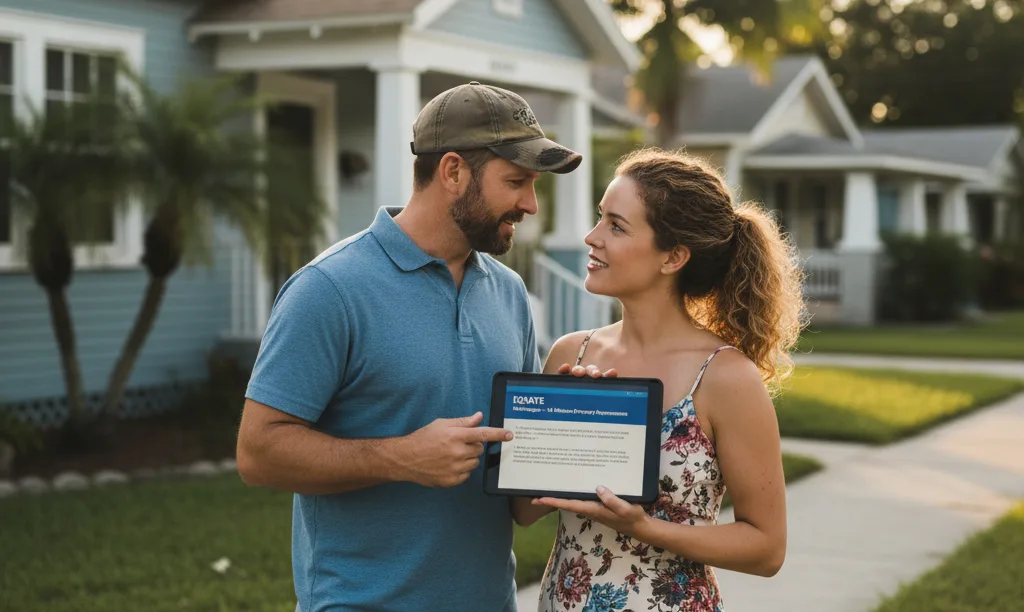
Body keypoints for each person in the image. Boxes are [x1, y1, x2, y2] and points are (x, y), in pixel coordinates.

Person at [235, 81, 584, 612]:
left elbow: (518, 501)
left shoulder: (509, 293)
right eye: (516, 182)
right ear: (452, 172)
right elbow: (258, 454)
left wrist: (563, 432)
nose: (530, 205)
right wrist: (402, 458)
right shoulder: (330, 288)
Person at [512, 148, 806, 611]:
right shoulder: (573, 354)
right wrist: (565, 435)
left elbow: (766, 548)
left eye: (616, 225)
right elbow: (525, 512)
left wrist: (645, 527)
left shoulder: (726, 377)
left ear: (674, 257)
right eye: (599, 218)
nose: (591, 237)